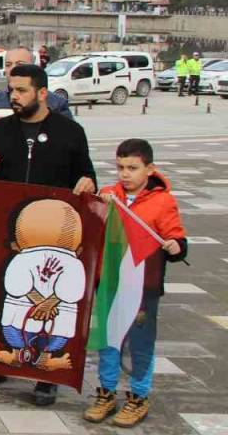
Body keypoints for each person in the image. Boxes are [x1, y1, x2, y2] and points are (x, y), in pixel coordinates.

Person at [0, 63, 97, 405]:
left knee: (48, 307)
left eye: (22, 90)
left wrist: (86, 184)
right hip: (10, 234)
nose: (15, 96)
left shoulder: (69, 133)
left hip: (52, 236)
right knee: (2, 300)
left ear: (42, 94)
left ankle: (44, 375)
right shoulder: (0, 132)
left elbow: (86, 178)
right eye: (12, 89)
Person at [84, 138, 187, 428]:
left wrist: (177, 246)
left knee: (140, 343)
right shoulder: (109, 194)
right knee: (109, 340)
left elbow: (176, 236)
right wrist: (97, 205)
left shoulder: (162, 200)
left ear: (149, 168)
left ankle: (138, 396)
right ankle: (105, 392)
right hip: (111, 283)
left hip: (144, 285)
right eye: (120, 167)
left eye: (132, 168)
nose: (125, 174)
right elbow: (90, 224)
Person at [0, 47, 72, 138]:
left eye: (19, 64)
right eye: (8, 65)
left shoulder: (57, 103)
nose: (13, 69)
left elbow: (69, 138)